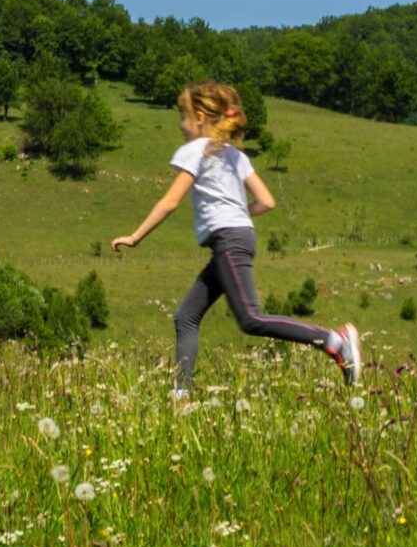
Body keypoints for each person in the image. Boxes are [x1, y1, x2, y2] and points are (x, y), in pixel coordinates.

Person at [111, 81, 360, 394]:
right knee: (186, 316)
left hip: (228, 240)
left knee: (251, 318)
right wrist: (237, 213)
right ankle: (180, 395)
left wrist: (135, 237)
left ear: (200, 117)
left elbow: (170, 201)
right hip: (233, 240)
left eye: (183, 117)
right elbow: (266, 201)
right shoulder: (235, 156)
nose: (181, 125)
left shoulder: (193, 151)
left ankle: (334, 340)